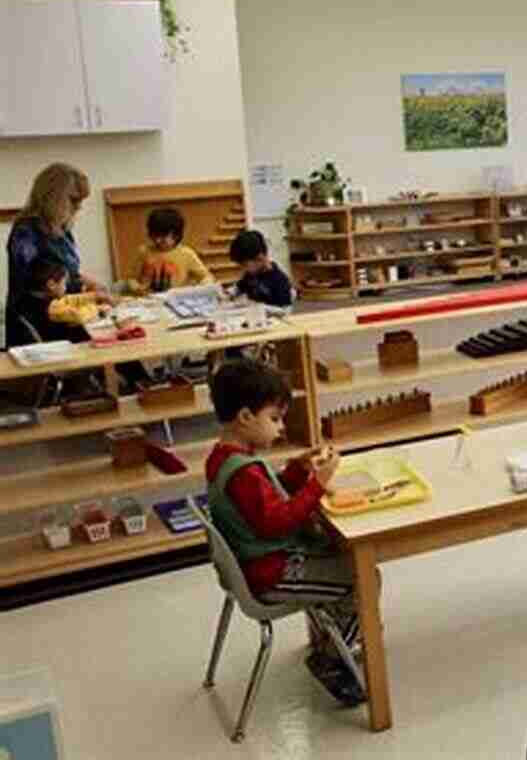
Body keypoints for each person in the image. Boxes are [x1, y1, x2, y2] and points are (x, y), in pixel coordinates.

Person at [205, 360, 365, 706]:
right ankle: (333, 659)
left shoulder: (224, 457)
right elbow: (279, 520)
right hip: (270, 573)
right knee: (364, 578)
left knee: (344, 563)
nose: (280, 428)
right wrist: (318, 484)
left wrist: (297, 471)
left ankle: (333, 639)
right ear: (245, 417)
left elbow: (264, 498)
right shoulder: (243, 472)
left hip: (258, 564)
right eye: (274, 418)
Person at [6, 163, 104, 347]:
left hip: (65, 314)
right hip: (39, 323)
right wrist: (84, 297)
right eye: (73, 200)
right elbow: (34, 283)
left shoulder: (61, 230)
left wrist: (89, 284)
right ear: (54, 197)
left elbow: (66, 271)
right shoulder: (26, 232)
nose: (78, 207)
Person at [10, 260, 104, 346]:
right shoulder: (50, 307)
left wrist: (95, 296)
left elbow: (66, 300)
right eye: (64, 283)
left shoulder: (29, 299)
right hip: (65, 348)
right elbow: (79, 316)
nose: (65, 287)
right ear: (51, 285)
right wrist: (98, 309)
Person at [128, 207, 214, 293]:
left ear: (176, 236)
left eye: (163, 237)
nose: (157, 240)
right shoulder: (144, 252)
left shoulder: (186, 254)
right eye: (154, 236)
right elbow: (131, 278)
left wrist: (201, 286)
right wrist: (137, 288)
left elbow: (206, 277)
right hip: (147, 299)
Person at [230, 229, 294, 307]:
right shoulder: (251, 274)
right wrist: (229, 293)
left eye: (244, 265)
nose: (244, 269)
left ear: (259, 258)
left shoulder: (280, 280)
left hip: (271, 317)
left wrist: (256, 305)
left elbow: (284, 310)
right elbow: (239, 287)